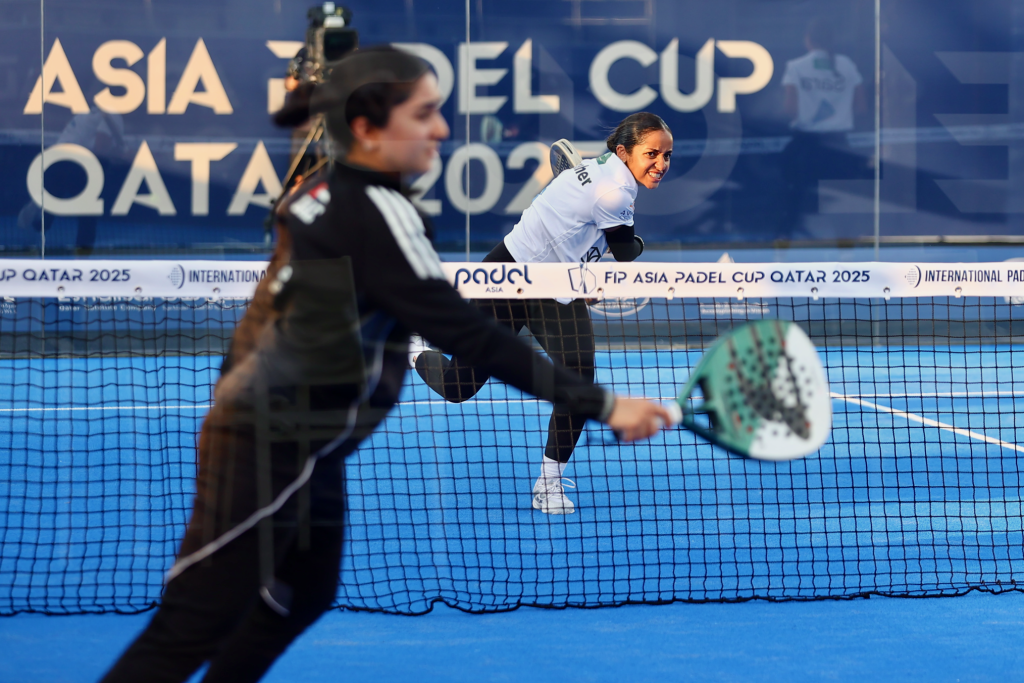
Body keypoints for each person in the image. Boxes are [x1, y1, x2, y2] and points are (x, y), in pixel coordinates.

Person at [99, 46, 671, 683]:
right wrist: (603, 404)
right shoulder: (378, 216)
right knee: (191, 625)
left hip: (315, 443)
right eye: (423, 113)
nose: (443, 128)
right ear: (370, 128)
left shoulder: (331, 194)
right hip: (273, 443)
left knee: (305, 593)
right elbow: (472, 334)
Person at [414, 112, 673, 515]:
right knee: (457, 388)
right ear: (623, 152)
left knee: (578, 380)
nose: (660, 163)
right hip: (506, 276)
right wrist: (634, 244)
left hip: (555, 286)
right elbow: (625, 252)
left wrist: (583, 274)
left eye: (667, 155)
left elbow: (579, 233)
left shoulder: (601, 169)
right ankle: (413, 348)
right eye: (651, 154)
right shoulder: (615, 193)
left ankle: (548, 483)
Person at [779, 18, 867, 237]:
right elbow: (861, 107)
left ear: (808, 40)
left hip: (805, 145)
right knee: (841, 207)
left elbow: (790, 109)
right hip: (838, 145)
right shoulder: (847, 65)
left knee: (794, 203)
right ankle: (846, 252)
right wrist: (838, 114)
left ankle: (782, 250)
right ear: (832, 41)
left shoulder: (796, 66)